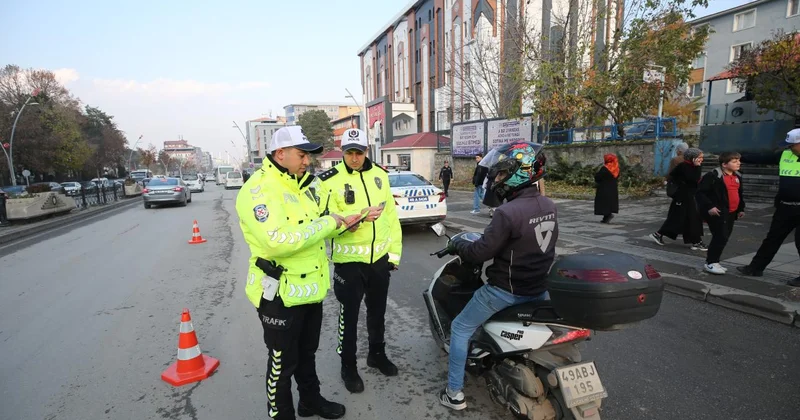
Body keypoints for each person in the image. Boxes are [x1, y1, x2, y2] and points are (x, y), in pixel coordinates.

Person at [236, 126, 359, 420]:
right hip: (278, 294)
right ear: (281, 154)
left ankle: (310, 402)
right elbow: (277, 241)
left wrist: (345, 221)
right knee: (282, 362)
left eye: (309, 155)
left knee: (307, 354)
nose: (308, 161)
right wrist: (331, 224)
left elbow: (323, 220)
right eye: (302, 155)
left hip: (310, 290)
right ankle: (282, 414)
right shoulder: (258, 189)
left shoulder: (307, 186)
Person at [438, 142, 553, 411]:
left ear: (519, 174)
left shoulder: (507, 212)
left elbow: (480, 252)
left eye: (501, 174)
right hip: (539, 287)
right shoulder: (549, 205)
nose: (497, 179)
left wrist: (459, 245)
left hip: (506, 291)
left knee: (460, 327)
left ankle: (454, 393)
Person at [315, 128, 403, 393]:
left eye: (359, 152)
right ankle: (348, 367)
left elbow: (391, 218)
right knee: (349, 318)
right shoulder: (328, 180)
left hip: (378, 260)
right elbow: (321, 221)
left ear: (367, 151)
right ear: (342, 152)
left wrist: (394, 254)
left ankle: (376, 354)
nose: (354, 157)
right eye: (349, 152)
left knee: (378, 313)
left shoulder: (380, 175)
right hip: (349, 263)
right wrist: (354, 219)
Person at [737, 129, 800, 287]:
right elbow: (762, 157)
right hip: (785, 207)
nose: (789, 148)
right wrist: (740, 156)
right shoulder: (785, 155)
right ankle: (755, 268)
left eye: (792, 145)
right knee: (772, 239)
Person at [696, 152, 745, 275]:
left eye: (739, 160)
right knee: (720, 236)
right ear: (724, 164)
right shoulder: (713, 176)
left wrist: (740, 209)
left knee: (724, 237)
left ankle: (715, 261)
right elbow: (700, 193)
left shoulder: (737, 176)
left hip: (731, 213)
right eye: (734, 161)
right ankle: (710, 263)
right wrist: (710, 206)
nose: (738, 163)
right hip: (718, 212)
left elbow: (739, 194)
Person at [650, 148, 707, 251]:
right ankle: (658, 234)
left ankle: (696, 241)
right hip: (681, 197)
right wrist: (697, 167)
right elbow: (692, 180)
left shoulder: (693, 166)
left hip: (689, 197)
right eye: (699, 157)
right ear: (692, 158)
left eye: (702, 157)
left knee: (691, 219)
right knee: (677, 219)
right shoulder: (684, 166)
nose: (701, 160)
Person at [594, 153, 620, 224]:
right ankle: (606, 217)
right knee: (609, 203)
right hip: (613, 188)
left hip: (604, 188)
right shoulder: (616, 168)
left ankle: (607, 216)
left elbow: (598, 177)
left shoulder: (605, 168)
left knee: (603, 203)